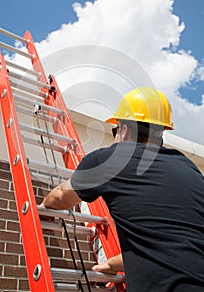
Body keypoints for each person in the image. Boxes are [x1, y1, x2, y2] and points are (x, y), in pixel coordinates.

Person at [42, 86, 204, 292]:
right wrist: (111, 265)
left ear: (124, 129)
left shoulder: (112, 158)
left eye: (114, 130)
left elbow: (60, 198)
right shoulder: (187, 166)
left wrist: (44, 205)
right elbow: (172, 245)